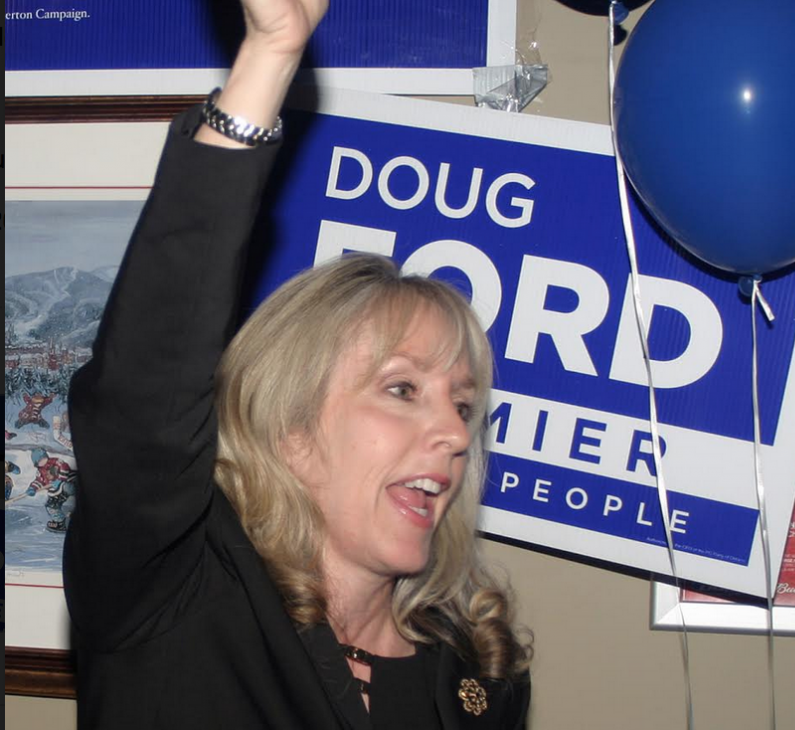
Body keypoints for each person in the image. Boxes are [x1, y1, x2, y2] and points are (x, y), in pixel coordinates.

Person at [63, 0, 531, 727]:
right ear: (291, 429)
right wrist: (272, 53)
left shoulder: (480, 673)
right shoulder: (176, 588)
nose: (454, 434)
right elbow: (142, 395)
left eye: (464, 405)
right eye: (403, 388)